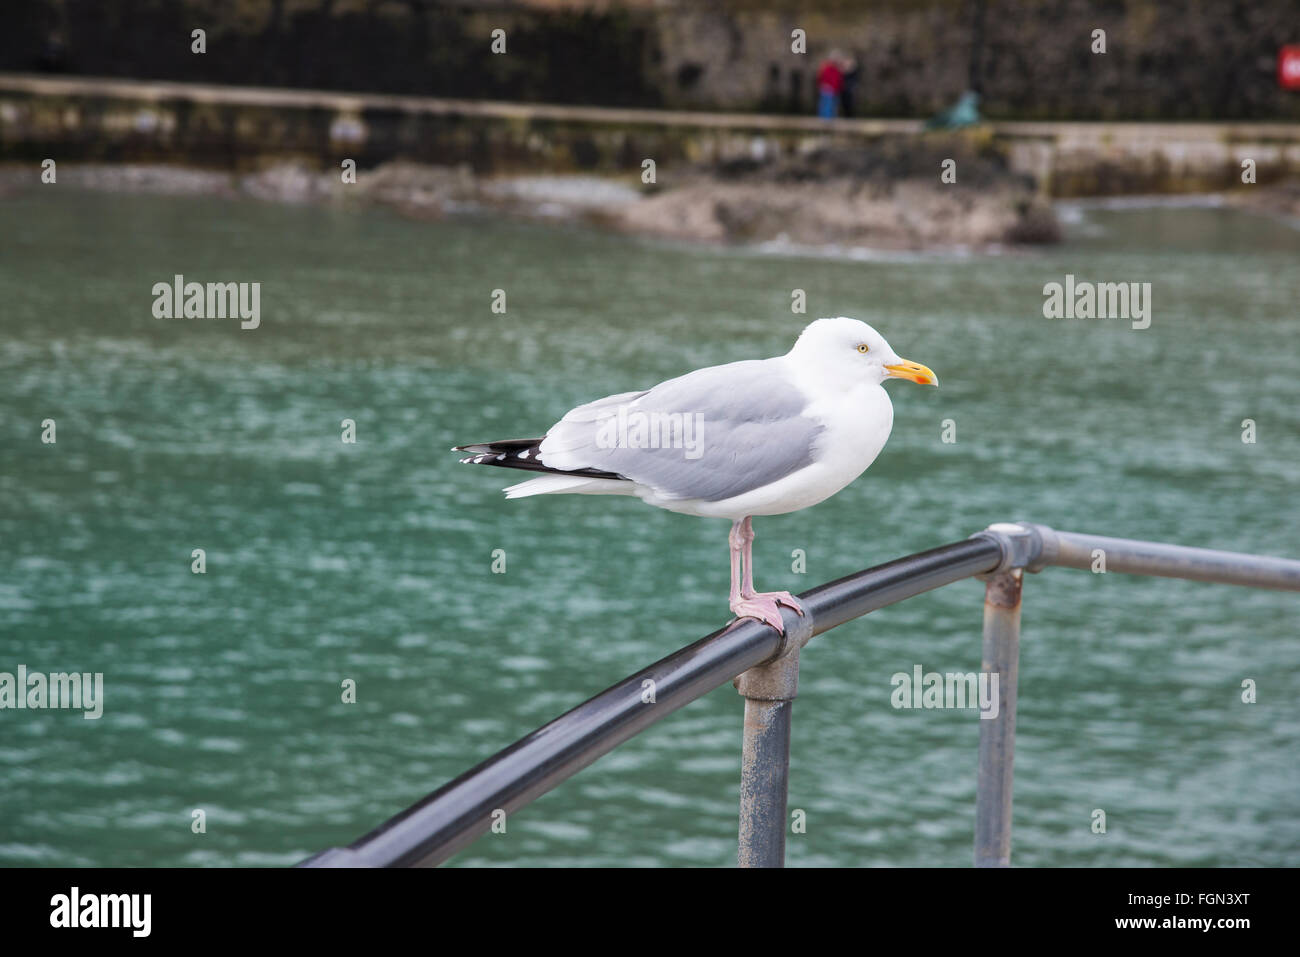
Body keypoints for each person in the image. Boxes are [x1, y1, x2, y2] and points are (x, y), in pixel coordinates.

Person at [816, 52, 844, 118]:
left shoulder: (835, 69)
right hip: (828, 89)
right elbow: (823, 78)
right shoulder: (828, 68)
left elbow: (838, 80)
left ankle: (827, 119)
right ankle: (826, 120)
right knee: (827, 105)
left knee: (830, 105)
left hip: (832, 89)